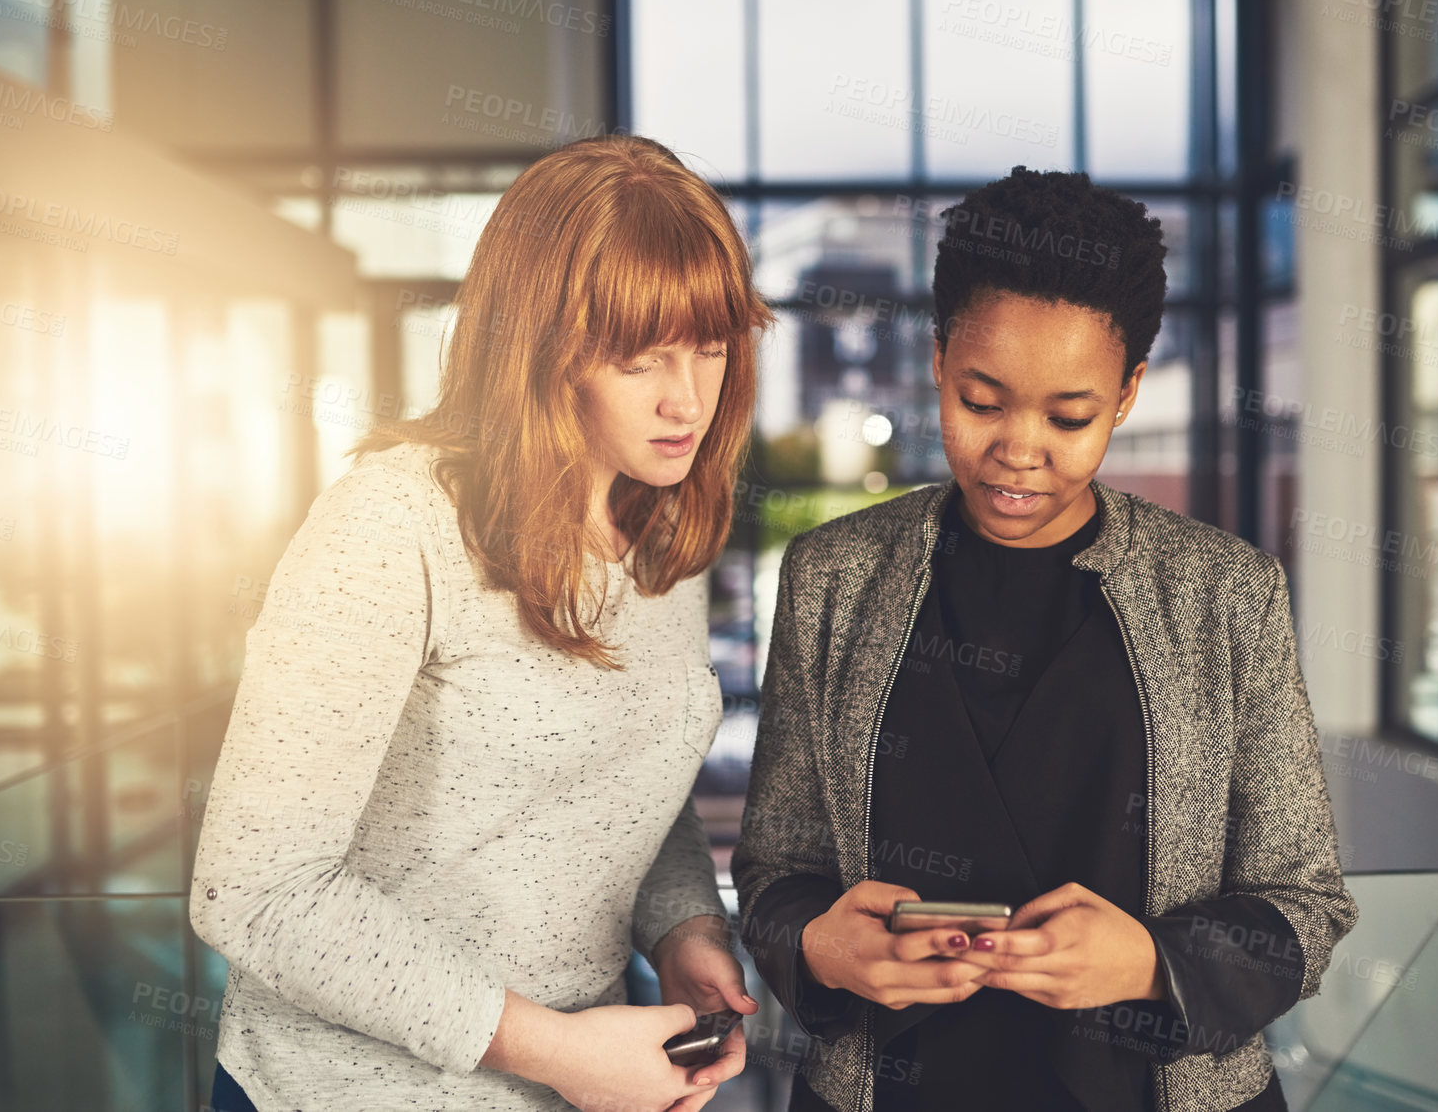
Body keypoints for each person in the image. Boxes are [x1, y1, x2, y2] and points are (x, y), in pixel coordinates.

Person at [731, 166, 1358, 1112]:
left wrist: (1153, 960)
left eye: (1068, 415)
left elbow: (1305, 905)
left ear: (1127, 392)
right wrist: (818, 941)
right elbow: (776, 868)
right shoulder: (833, 577)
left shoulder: (1225, 593)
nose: (1020, 450)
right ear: (938, 360)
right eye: (982, 402)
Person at [190, 134, 773, 1112]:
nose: (689, 400)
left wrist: (684, 933)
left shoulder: (662, 531)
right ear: (544, 349)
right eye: (643, 359)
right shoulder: (393, 523)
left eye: (712, 350)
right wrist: (558, 1051)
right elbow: (254, 892)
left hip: (563, 1089)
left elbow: (631, 777)